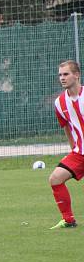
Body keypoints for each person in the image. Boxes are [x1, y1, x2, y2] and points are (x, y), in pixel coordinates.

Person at [49, 59, 84, 229]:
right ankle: (68, 220)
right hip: (79, 153)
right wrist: (74, 149)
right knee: (55, 178)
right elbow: (67, 128)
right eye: (60, 75)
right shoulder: (59, 102)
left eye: (66, 74)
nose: (62, 78)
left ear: (77, 75)